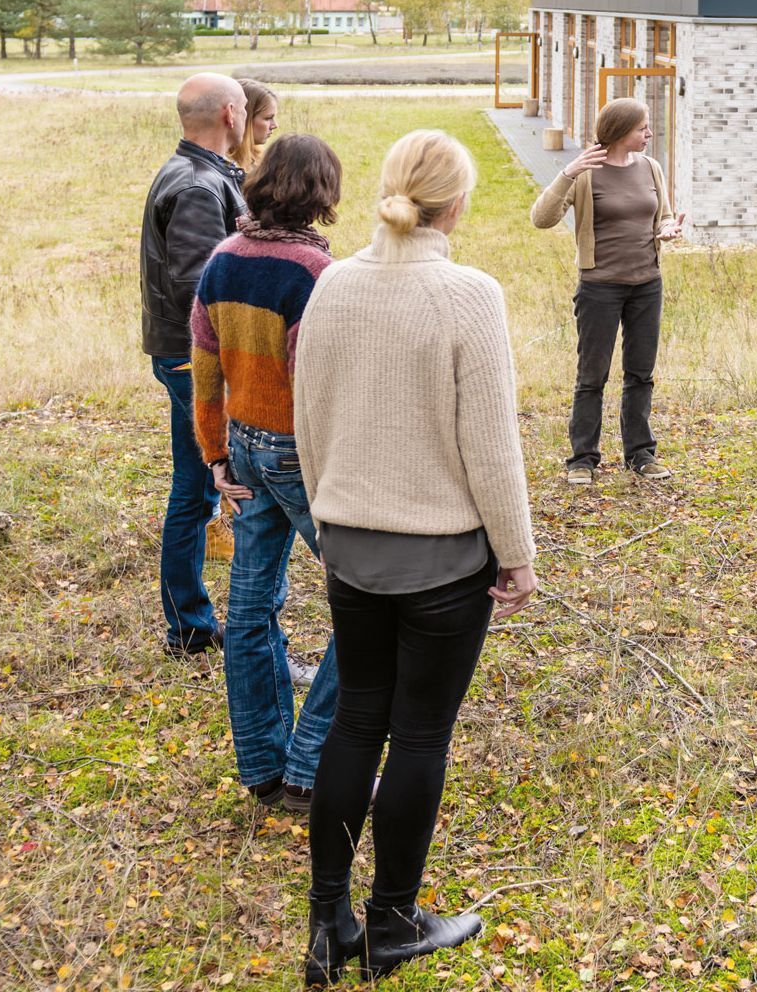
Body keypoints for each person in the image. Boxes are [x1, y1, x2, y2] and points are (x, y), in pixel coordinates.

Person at [294, 130, 539, 983]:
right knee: (420, 733)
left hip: (350, 545)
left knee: (356, 721)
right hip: (441, 558)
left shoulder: (332, 285)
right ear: (456, 204)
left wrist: (328, 515)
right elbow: (491, 445)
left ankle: (328, 921)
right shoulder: (468, 294)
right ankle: (392, 920)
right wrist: (517, 553)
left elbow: (307, 417)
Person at [190, 134, 343, 812]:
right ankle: (310, 764)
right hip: (299, 454)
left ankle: (262, 767)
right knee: (368, 599)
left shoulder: (222, 258)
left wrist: (215, 452)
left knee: (250, 612)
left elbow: (203, 366)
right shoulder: (315, 272)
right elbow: (319, 388)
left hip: (245, 450)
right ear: (322, 194)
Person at [140, 73, 248, 657]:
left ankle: (189, 624)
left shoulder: (201, 173)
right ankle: (189, 627)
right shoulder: (198, 186)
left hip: (185, 353)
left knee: (195, 487)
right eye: (247, 108)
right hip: (191, 358)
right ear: (230, 113)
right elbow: (201, 287)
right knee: (196, 490)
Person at [529, 96, 685, 485]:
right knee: (592, 376)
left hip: (647, 285)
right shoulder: (586, 173)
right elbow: (542, 219)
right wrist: (567, 173)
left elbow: (662, 215)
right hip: (600, 288)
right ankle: (582, 459)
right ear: (619, 132)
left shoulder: (650, 167)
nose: (649, 133)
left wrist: (667, 229)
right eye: (642, 128)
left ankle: (641, 455)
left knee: (641, 374)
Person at [203, 78, 277, 564]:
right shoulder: (230, 178)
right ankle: (220, 521)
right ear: (243, 118)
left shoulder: (252, 170)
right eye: (267, 117)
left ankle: (229, 520)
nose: (273, 126)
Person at [230, 78, 279, 173]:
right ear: (244, 118)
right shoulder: (223, 166)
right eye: (268, 118)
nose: (275, 125)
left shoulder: (261, 160)